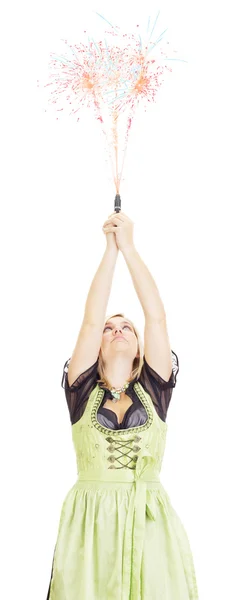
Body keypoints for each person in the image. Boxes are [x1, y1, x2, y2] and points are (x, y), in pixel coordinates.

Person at [46, 211, 199, 599]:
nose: (116, 330)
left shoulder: (153, 388)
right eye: (110, 329)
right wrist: (109, 252)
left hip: (149, 521)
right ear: (99, 344)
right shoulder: (81, 392)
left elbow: (157, 318)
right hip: (88, 525)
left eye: (125, 327)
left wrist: (128, 247)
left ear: (138, 350)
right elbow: (90, 321)